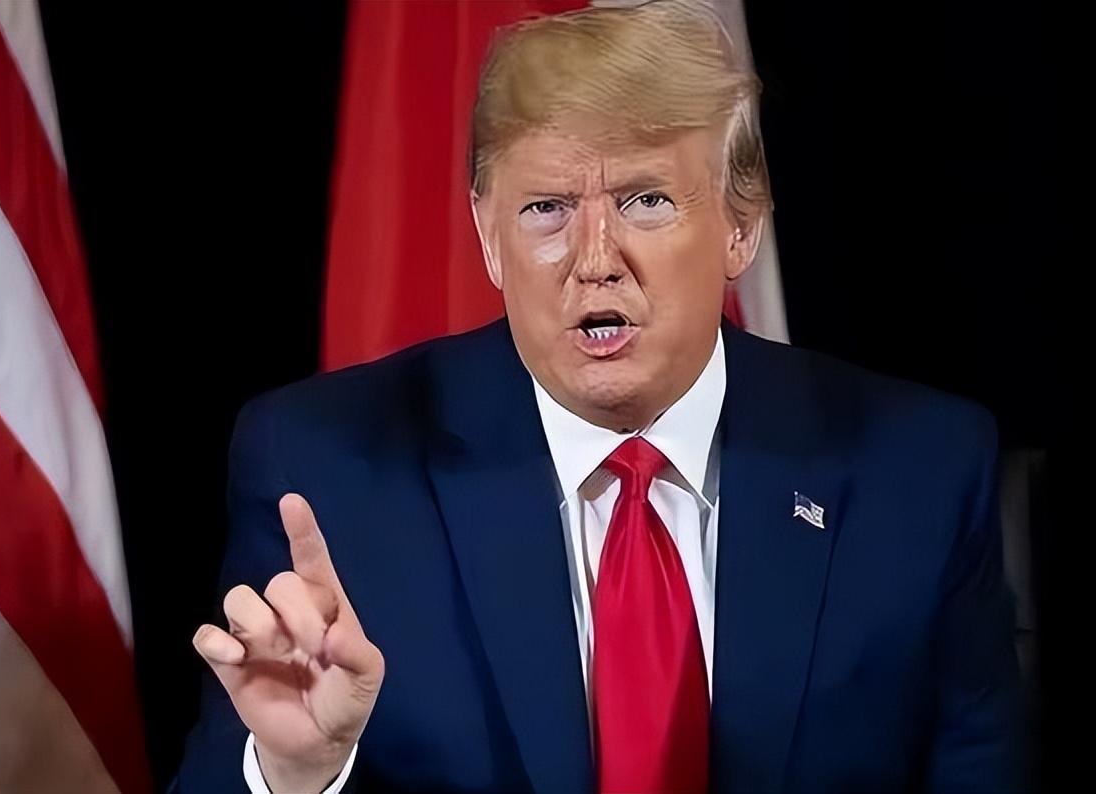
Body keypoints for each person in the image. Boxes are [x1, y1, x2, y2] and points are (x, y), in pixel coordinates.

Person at [177, 1, 1021, 791]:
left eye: (645, 201)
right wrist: (295, 771)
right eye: (546, 209)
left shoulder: (920, 471)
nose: (594, 260)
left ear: (740, 225)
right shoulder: (327, 470)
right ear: (489, 237)